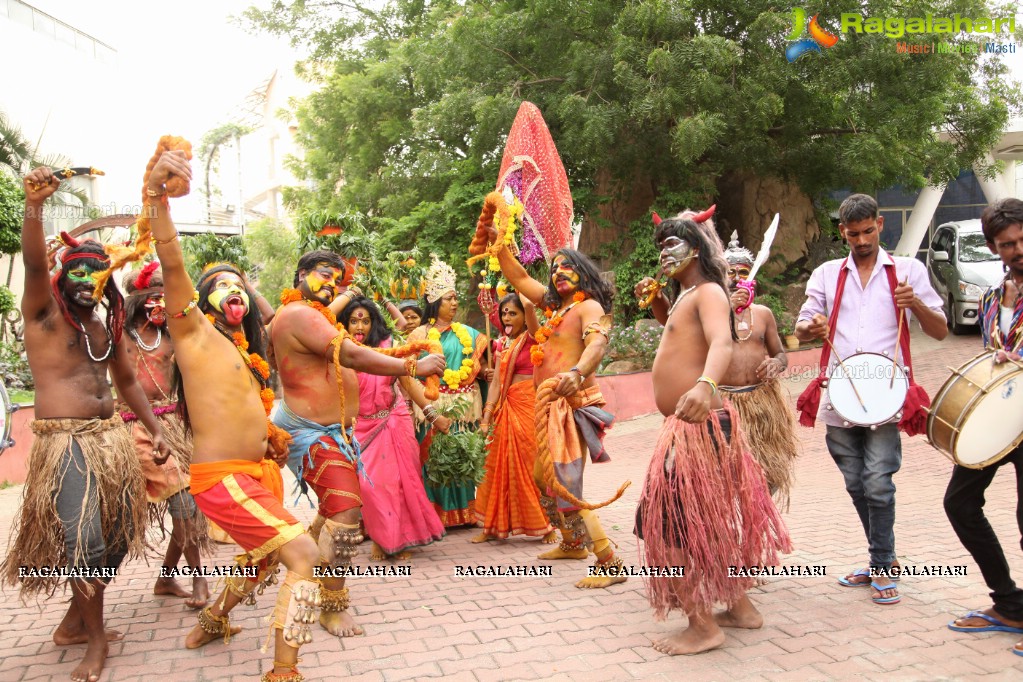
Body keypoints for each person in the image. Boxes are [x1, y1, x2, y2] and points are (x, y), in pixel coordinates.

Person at [144, 148, 324, 682]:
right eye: (219, 284)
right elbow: (172, 259)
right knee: (304, 554)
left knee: (266, 556)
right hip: (222, 480)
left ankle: (212, 622)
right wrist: (157, 196)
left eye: (239, 284)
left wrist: (266, 436)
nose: (233, 290)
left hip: (250, 476)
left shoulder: (250, 357)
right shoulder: (194, 334)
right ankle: (283, 672)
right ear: (200, 302)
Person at [0, 167, 166, 682]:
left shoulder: (106, 323)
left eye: (97, 271)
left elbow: (128, 383)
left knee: (118, 535)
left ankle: (74, 621)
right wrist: (33, 207)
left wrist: (155, 430)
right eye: (77, 269)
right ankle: (94, 641)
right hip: (65, 444)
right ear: (61, 275)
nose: (87, 278)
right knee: (85, 543)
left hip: (110, 439)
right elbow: (30, 264)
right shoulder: (43, 314)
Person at [633, 215, 791, 655]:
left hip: (698, 428)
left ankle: (702, 627)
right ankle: (741, 609)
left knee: (663, 526)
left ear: (697, 251)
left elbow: (722, 342)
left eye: (672, 244)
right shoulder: (688, 295)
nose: (664, 253)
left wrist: (705, 385)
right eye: (660, 246)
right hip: (693, 429)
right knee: (707, 521)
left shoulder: (707, 293)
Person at [271, 253, 445, 637]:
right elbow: (349, 353)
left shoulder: (314, 311)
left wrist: (353, 291)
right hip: (312, 431)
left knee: (331, 512)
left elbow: (341, 314)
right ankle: (332, 605)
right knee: (348, 514)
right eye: (323, 276)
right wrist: (410, 365)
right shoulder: (299, 315)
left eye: (337, 279)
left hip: (336, 431)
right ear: (300, 276)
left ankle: (292, 569)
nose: (331, 284)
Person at [795, 193, 946, 606]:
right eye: (852, 233)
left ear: (880, 224)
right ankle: (883, 558)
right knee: (856, 485)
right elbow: (804, 326)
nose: (861, 240)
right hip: (839, 395)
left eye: (867, 231)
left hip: (886, 397)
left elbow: (939, 331)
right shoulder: (827, 274)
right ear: (842, 231)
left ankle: (881, 564)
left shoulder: (908, 271)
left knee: (878, 483)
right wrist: (813, 326)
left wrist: (914, 303)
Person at [489, 236, 625, 588]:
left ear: (583, 273)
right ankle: (573, 542)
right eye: (554, 268)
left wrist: (576, 373)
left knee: (565, 484)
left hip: (570, 405)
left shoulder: (588, 307)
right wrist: (499, 242)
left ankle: (609, 561)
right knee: (542, 476)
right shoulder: (554, 310)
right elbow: (519, 278)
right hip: (548, 406)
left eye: (567, 266)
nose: (559, 272)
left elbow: (597, 342)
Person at [944, 197, 1023, 654]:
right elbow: (993, 346)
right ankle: (1010, 603)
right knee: (960, 503)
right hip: (998, 420)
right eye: (1006, 244)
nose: (1016, 250)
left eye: (1021, 240)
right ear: (994, 247)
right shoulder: (994, 296)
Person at [121, 263, 209, 608]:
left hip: (176, 423)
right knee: (183, 499)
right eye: (153, 297)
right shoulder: (121, 336)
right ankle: (200, 582)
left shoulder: (174, 335)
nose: (159, 304)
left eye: (164, 297)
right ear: (137, 300)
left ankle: (165, 578)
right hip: (137, 428)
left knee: (189, 506)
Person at [337, 296, 447, 560]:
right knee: (371, 487)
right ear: (346, 325)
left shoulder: (387, 348)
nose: (359, 326)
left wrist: (433, 415)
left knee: (401, 484)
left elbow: (408, 385)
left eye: (365, 320)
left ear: (374, 323)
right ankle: (381, 537)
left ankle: (401, 541)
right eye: (353, 321)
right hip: (361, 428)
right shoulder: (341, 353)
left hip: (394, 420)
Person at [406, 257, 489, 527]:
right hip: (431, 402)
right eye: (448, 299)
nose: (454, 303)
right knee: (433, 458)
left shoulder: (468, 333)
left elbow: (485, 362)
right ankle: (434, 516)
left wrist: (486, 371)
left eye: (455, 298)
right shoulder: (418, 335)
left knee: (463, 456)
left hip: (464, 406)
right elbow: (407, 373)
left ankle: (465, 514)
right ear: (434, 302)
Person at [474, 293, 554, 543]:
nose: (507, 317)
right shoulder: (501, 344)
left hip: (529, 406)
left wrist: (516, 272)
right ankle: (492, 525)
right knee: (497, 465)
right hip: (505, 409)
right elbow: (497, 381)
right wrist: (486, 416)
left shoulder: (533, 337)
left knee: (532, 466)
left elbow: (531, 307)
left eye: (513, 313)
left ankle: (547, 524)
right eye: (504, 313)